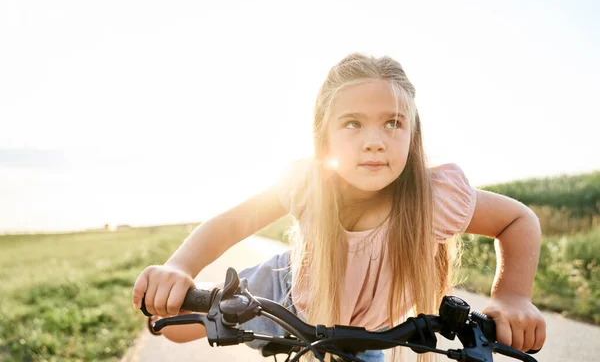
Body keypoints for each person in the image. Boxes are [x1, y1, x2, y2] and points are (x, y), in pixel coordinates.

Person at [132, 53, 546, 361]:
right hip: (286, 294)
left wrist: (512, 297)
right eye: (352, 123)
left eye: (393, 123)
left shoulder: (433, 198)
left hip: (364, 334)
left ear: (412, 135)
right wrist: (179, 269)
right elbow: (233, 222)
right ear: (324, 138)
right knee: (175, 326)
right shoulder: (310, 184)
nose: (374, 140)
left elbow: (517, 219)